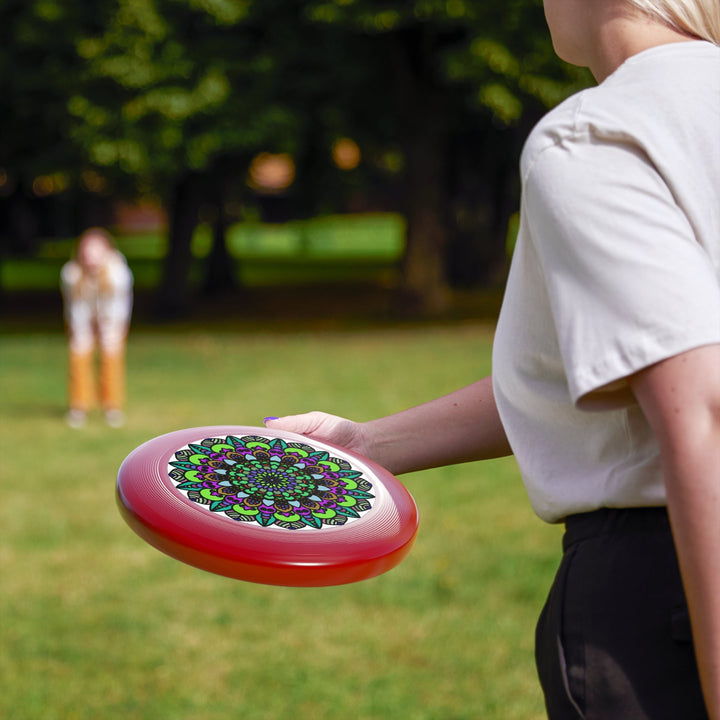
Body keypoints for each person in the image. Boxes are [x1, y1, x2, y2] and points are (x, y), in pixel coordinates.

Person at [264, 1, 720, 717]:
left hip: (669, 595)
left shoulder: (600, 135)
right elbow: (610, 370)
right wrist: (368, 444)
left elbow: (702, 409)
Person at [60, 227, 133, 428]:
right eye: (87, 251)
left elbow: (118, 306)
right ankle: (79, 406)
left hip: (112, 319)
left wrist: (106, 327)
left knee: (111, 357)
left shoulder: (118, 273)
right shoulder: (71, 273)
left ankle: (112, 406)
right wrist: (84, 329)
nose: (91, 257)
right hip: (82, 319)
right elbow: (76, 306)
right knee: (79, 354)